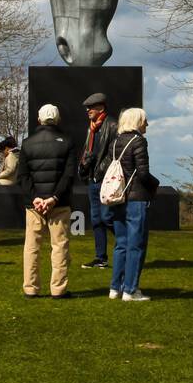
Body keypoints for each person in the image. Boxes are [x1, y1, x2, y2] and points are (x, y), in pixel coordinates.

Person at [17, 104, 76, 299]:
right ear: (57, 119)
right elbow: (68, 176)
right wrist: (53, 198)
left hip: (34, 206)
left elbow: (23, 177)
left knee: (32, 247)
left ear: (39, 119)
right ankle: (58, 290)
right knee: (59, 246)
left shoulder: (27, 143)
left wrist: (35, 198)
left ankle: (31, 288)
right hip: (59, 204)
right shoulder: (67, 142)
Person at [108, 108, 158, 302]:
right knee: (136, 245)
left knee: (121, 243)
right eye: (144, 120)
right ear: (137, 121)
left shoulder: (115, 142)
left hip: (118, 197)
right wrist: (155, 185)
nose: (147, 124)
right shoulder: (138, 141)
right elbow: (142, 173)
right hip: (136, 198)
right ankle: (130, 290)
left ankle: (115, 287)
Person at [78, 92, 118, 269]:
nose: (88, 111)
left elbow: (113, 154)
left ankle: (126, 242)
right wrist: (83, 166)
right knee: (96, 219)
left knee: (106, 217)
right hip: (92, 179)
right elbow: (88, 150)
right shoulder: (92, 127)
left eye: (91, 108)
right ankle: (100, 257)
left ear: (100, 107)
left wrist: (100, 169)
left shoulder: (113, 125)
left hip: (105, 178)